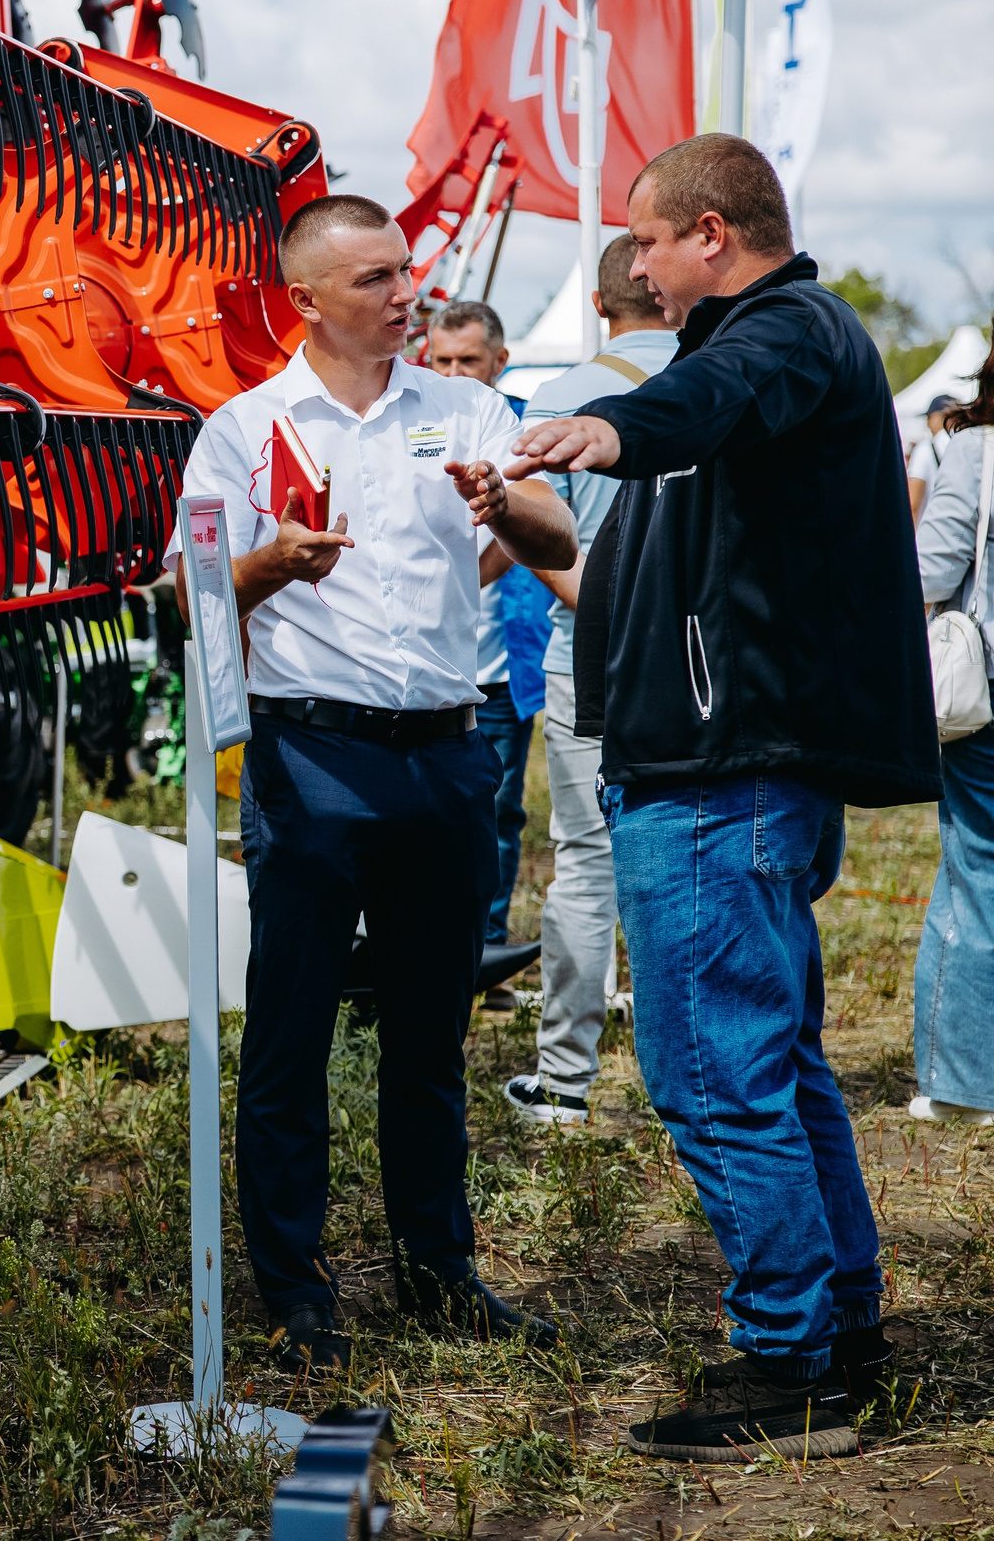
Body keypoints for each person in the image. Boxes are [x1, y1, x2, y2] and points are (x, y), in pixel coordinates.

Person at [510, 134, 938, 1460]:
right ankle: (837, 1325)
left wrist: (613, 424)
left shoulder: (783, 333)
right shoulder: (744, 362)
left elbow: (700, 407)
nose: (631, 268)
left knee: (716, 1074)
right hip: (716, 771)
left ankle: (793, 1365)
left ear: (710, 232)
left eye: (645, 240)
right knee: (776, 1064)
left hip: (724, 778)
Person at [183, 195, 576, 1373]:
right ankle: (293, 1290)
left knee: (427, 1033)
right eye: (374, 281)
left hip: (447, 757)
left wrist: (506, 499)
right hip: (310, 756)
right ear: (303, 299)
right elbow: (188, 596)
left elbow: (555, 535)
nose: (404, 296)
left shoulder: (464, 406)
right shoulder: (243, 431)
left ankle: (436, 1268)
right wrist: (260, 565)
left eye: (406, 273)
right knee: (292, 1033)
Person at [496, 237, 678, 1124]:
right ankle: (697, 1066)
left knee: (586, 861)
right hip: (704, 664)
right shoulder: (726, 382)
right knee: (698, 854)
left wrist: (602, 606)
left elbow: (543, 538)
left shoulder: (564, 396)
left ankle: (566, 1078)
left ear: (601, 307)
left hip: (590, 657)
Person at [425, 302, 543, 1000]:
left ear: (499, 361)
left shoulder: (520, 432)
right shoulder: (415, 423)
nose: (454, 372)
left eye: (468, 360)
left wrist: (465, 578)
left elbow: (539, 526)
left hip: (498, 669)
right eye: (442, 359)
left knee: (498, 816)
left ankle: (485, 950)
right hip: (430, 675)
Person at [912, 347, 994, 1124]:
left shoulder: (976, 451)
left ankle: (964, 1082)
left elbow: (929, 571)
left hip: (987, 703)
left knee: (976, 873)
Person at [911, 393, 961, 520]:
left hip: (933, 529)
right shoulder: (969, 445)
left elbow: (913, 502)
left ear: (941, 416)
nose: (927, 424)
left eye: (929, 417)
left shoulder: (925, 448)